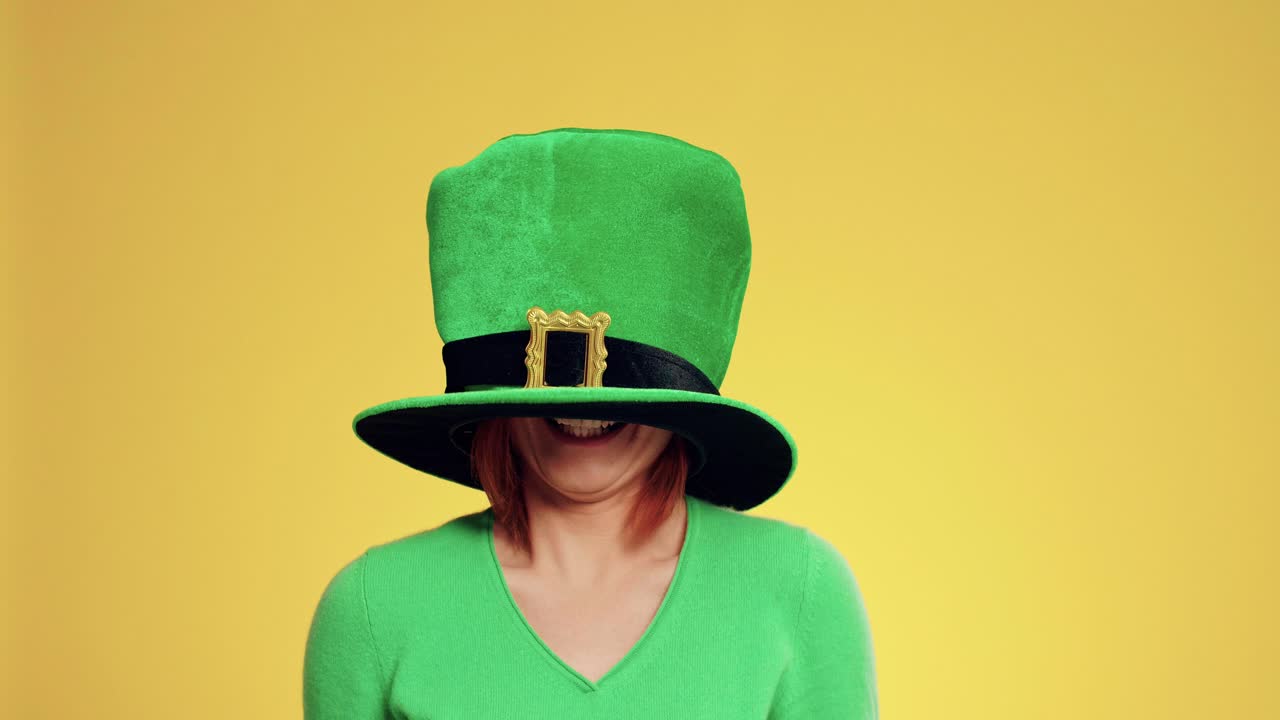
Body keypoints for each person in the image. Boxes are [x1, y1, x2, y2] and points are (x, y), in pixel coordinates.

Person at [303, 127, 879, 718]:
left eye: (625, 390)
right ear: (497, 401)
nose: (584, 408)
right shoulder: (374, 607)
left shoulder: (799, 590)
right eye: (550, 388)